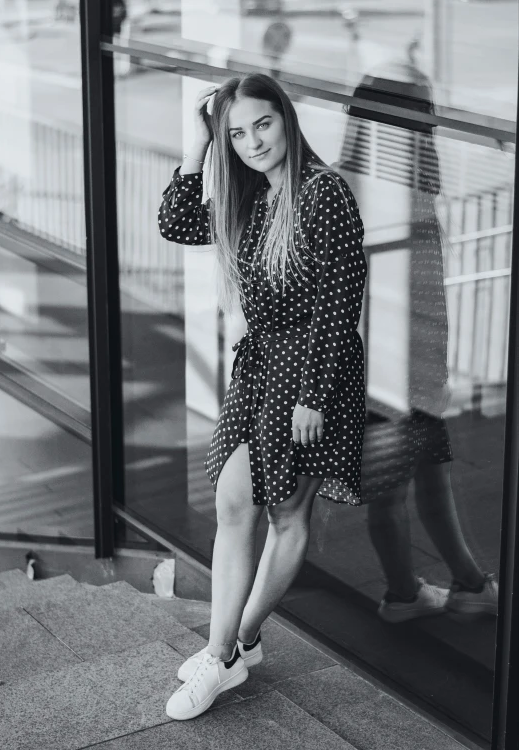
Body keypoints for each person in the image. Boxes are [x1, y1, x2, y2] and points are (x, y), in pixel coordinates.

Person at [158, 73, 367, 720]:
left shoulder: (323, 192)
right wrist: (199, 145)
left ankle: (225, 651)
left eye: (262, 124)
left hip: (311, 368)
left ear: (286, 118)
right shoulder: (254, 195)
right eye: (237, 133)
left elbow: (340, 297)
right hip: (259, 367)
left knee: (284, 514)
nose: (252, 141)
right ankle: (234, 645)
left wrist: (314, 394)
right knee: (233, 498)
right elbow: (174, 221)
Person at [339, 58, 498, 623]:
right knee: (396, 492)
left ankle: (465, 584)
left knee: (430, 481)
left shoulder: (358, 179)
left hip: (400, 365)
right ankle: (406, 594)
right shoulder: (385, 189)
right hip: (392, 370)